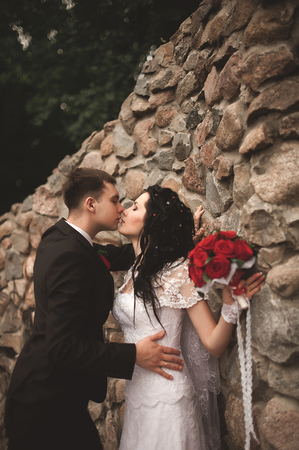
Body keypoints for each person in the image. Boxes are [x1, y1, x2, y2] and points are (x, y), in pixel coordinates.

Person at [4, 169, 184, 450]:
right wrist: (134, 354)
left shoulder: (63, 238)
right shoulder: (70, 255)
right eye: (114, 200)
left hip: (59, 397)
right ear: (91, 204)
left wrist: (179, 233)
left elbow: (126, 254)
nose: (121, 208)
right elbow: (62, 347)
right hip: (45, 407)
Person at [113, 185, 264, 450]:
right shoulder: (134, 271)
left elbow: (213, 344)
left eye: (135, 207)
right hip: (137, 396)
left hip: (169, 400)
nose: (125, 210)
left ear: (154, 221)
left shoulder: (180, 273)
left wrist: (229, 304)